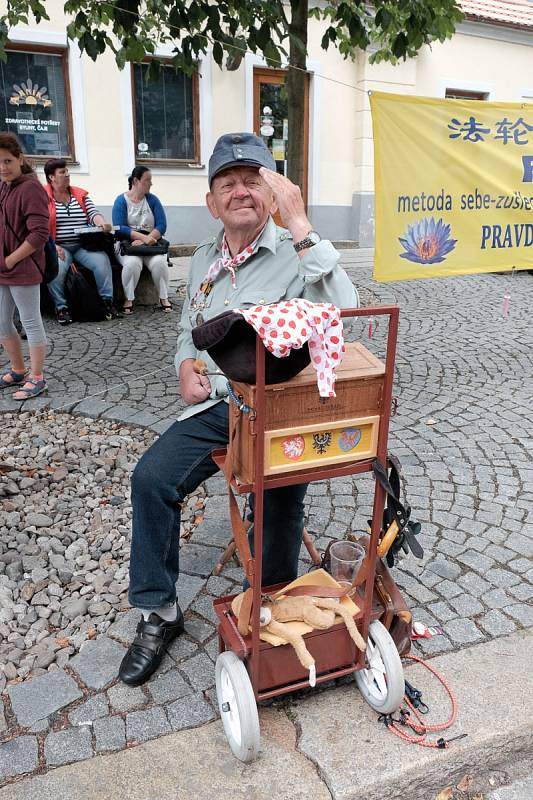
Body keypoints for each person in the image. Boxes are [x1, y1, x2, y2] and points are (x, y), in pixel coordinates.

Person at [118, 132, 359, 686]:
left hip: (278, 407)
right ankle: (160, 611)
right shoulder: (204, 258)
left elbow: (345, 313)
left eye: (254, 180)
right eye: (228, 183)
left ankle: (271, 615)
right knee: (152, 479)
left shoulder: (296, 253)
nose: (241, 192)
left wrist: (301, 224)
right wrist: (185, 365)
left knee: (276, 505)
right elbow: (189, 327)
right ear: (211, 201)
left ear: (273, 193)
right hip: (220, 404)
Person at [0, 133, 50, 399]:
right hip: (3, 267)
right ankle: (18, 369)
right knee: (2, 322)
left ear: (20, 159)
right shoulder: (4, 186)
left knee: (30, 321)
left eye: (7, 160)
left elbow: (39, 234)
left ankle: (38, 377)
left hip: (23, 267)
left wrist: (12, 258)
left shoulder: (30, 188)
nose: (2, 167)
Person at [43, 158, 119, 325]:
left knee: (102, 262)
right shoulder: (42, 197)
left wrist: (101, 223)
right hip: (59, 246)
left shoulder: (79, 194)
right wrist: (53, 246)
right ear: (51, 177)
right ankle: (61, 307)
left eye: (67, 171)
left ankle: (107, 302)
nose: (67, 174)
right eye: (62, 172)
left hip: (84, 246)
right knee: (56, 269)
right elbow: (39, 225)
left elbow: (93, 213)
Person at [112, 166, 171, 314]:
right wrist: (142, 237)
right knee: (132, 263)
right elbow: (120, 228)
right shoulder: (121, 201)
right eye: (147, 180)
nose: (151, 183)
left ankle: (163, 297)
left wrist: (148, 239)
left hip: (151, 245)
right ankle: (129, 299)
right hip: (129, 245)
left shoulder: (152, 200)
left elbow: (162, 225)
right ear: (135, 181)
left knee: (159, 263)